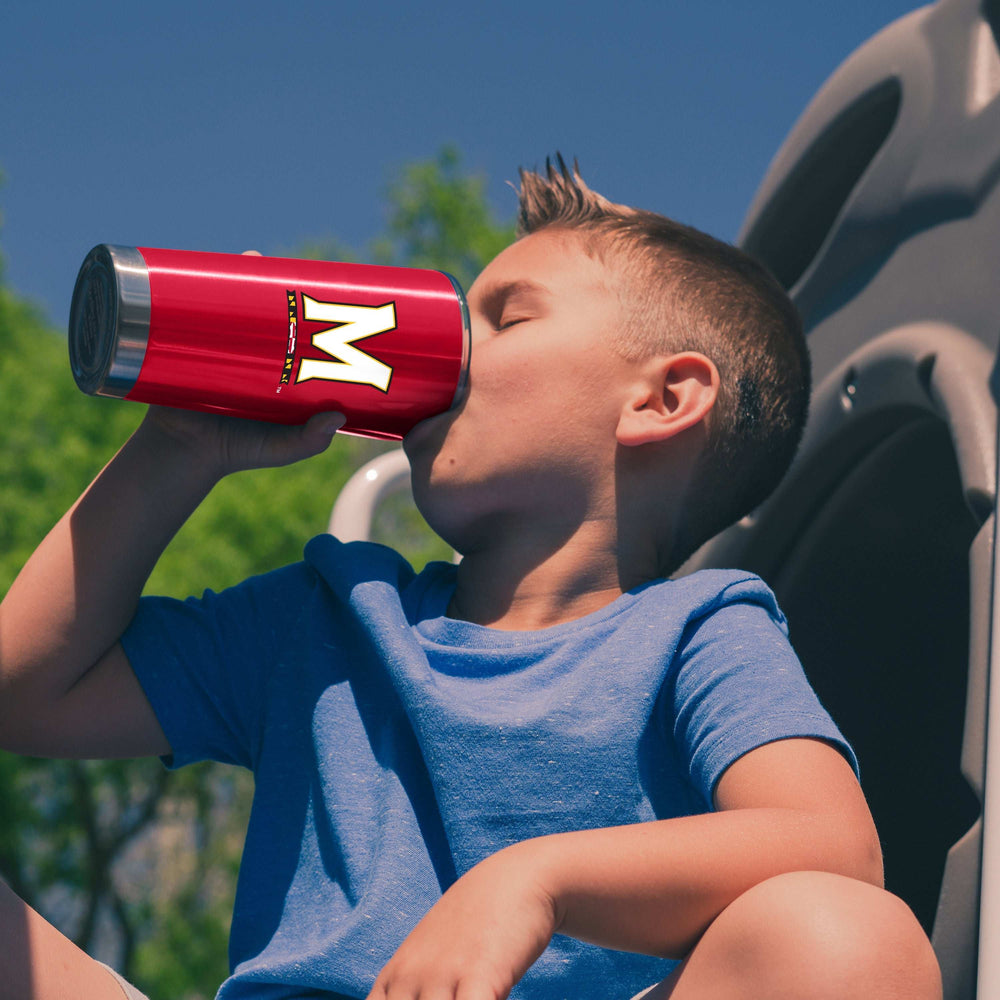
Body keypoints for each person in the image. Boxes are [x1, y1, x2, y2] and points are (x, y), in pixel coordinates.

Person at [0, 158, 942, 1000]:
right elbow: (26, 696)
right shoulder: (327, 618)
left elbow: (834, 847)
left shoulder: (701, 632)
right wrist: (174, 450)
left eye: (507, 316)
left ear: (662, 400)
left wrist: (536, 881)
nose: (452, 350)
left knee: (845, 937)